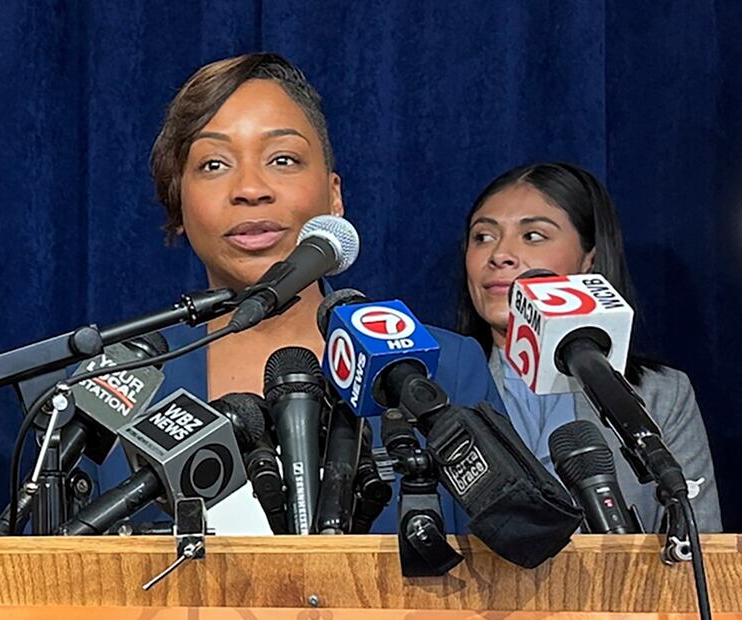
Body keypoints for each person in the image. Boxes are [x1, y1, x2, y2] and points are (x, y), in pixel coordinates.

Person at [97, 52, 503, 533]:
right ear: (179, 203)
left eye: (283, 159)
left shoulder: (447, 365)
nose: (250, 189)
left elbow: (511, 581)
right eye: (213, 164)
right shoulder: (118, 386)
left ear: (334, 195)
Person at [457, 161, 722, 532]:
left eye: (533, 235)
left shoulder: (661, 394)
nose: (499, 255)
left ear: (588, 260)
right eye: (483, 236)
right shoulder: (433, 388)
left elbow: (701, 550)